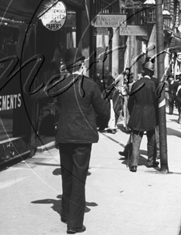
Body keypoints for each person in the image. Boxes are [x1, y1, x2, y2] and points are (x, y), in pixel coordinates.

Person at [38, 48, 110, 234]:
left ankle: (66, 213)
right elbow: (104, 112)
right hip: (83, 138)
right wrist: (101, 125)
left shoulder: (61, 84)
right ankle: (75, 224)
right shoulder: (91, 85)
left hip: (64, 136)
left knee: (67, 176)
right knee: (79, 179)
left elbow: (40, 94)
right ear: (82, 65)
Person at [127, 61, 159, 172]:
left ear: (143, 71)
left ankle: (134, 164)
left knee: (136, 139)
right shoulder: (153, 85)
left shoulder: (136, 84)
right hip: (150, 114)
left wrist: (133, 112)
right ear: (151, 73)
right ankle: (150, 161)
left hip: (137, 112)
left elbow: (130, 102)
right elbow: (156, 102)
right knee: (151, 139)